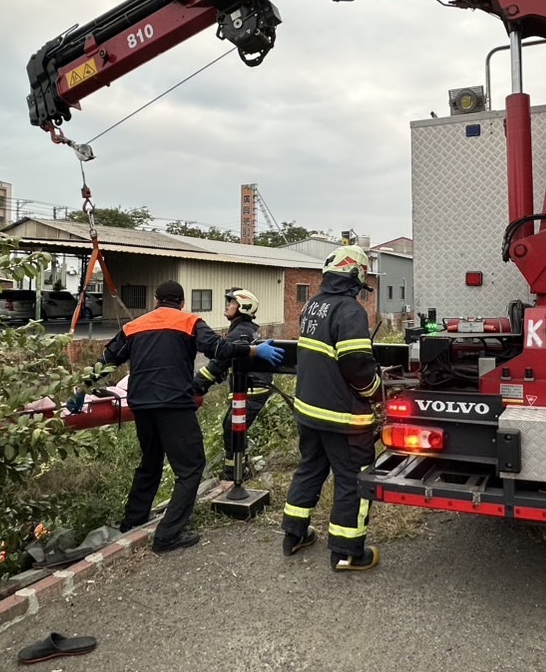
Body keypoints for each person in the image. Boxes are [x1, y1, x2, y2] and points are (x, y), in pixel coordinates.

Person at [82, 280, 285, 552]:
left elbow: (106, 360)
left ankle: (133, 522)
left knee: (149, 463)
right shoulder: (189, 322)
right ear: (181, 303)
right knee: (190, 470)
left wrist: (79, 390)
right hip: (174, 405)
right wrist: (254, 350)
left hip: (141, 405)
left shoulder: (134, 326)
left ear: (155, 301)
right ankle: (167, 535)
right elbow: (220, 350)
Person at [281, 245, 384, 571]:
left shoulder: (313, 305)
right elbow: (356, 363)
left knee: (310, 468)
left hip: (309, 410)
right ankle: (347, 552)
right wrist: (375, 391)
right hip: (342, 416)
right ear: (356, 277)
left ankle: (294, 534)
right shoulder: (350, 311)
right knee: (353, 479)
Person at [193, 288, 273, 478]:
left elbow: (218, 363)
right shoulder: (245, 329)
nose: (227, 305)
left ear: (243, 307)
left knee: (232, 429)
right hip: (252, 387)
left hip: (251, 389)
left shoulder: (240, 331)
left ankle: (234, 473)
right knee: (232, 428)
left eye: (232, 302)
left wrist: (196, 386)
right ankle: (236, 469)